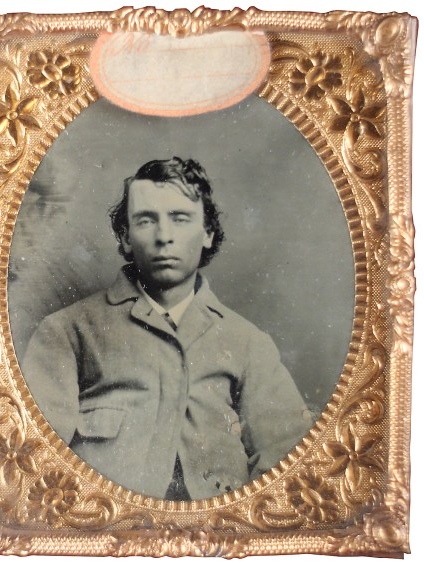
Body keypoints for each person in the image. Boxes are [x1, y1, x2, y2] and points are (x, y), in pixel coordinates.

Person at [22, 157, 312, 500]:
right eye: (146, 220)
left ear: (207, 233)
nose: (164, 237)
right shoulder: (67, 332)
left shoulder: (248, 343)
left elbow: (289, 459)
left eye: (180, 218)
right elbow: (36, 459)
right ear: (126, 237)